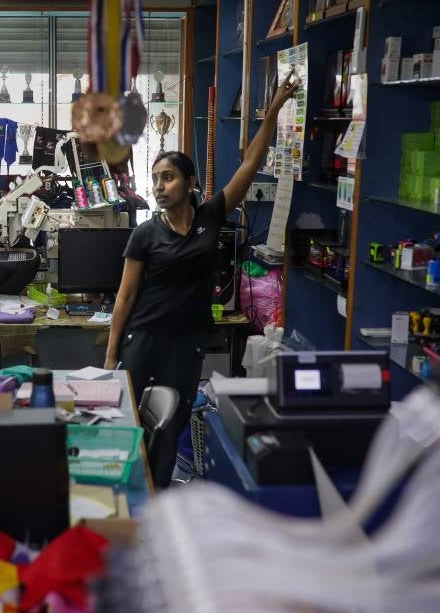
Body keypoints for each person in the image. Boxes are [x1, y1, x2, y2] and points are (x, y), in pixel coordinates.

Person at [104, 70, 299, 488]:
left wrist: (273, 110)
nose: (159, 186)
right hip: (144, 338)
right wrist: (110, 354)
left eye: (168, 177)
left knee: (171, 423)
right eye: (155, 179)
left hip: (187, 342)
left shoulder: (212, 215)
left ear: (190, 182)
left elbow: (251, 164)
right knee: (130, 423)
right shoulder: (145, 234)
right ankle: (128, 495)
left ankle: (156, 497)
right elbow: (125, 297)